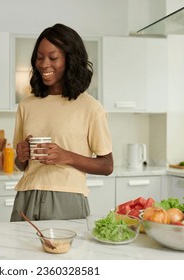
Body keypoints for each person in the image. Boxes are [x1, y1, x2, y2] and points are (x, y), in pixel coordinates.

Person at [10, 23, 113, 222]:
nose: (44, 64)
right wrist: (21, 156)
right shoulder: (26, 105)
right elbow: (21, 165)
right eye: (39, 58)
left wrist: (65, 156)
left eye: (53, 57)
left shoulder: (90, 107)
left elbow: (107, 165)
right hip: (26, 197)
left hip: (67, 199)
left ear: (70, 59)